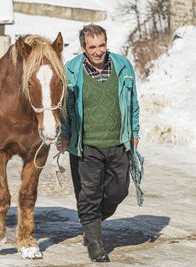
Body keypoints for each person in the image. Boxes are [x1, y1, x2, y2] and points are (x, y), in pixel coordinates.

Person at [57, 24, 140, 262]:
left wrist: (134, 131)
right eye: (92, 47)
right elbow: (63, 108)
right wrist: (64, 133)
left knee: (119, 191)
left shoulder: (123, 65)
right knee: (89, 195)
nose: (98, 51)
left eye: (101, 45)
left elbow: (133, 102)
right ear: (83, 48)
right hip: (86, 146)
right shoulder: (71, 71)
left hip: (118, 142)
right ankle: (95, 244)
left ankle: (89, 221)